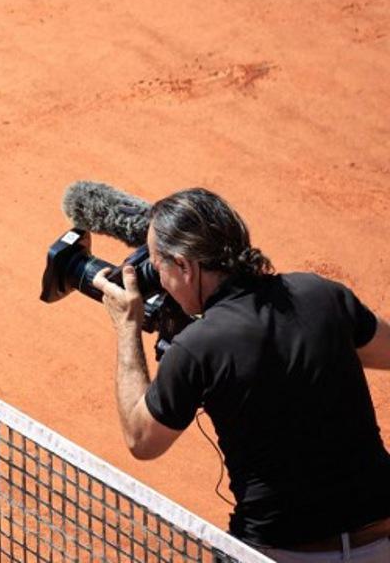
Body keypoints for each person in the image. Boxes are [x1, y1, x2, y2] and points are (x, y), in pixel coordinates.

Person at [94, 187, 390, 561]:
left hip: (279, 551)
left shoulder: (197, 348)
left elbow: (141, 440)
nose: (159, 278)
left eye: (158, 265)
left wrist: (127, 327)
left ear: (185, 266)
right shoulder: (323, 294)